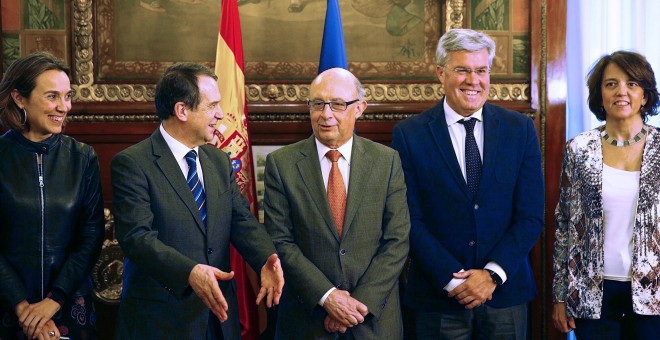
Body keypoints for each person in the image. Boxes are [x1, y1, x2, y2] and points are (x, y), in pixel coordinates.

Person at [111, 63, 284, 339]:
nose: (220, 115)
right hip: (162, 322)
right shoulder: (133, 164)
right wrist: (189, 272)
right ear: (182, 110)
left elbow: (241, 220)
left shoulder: (217, 160)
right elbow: (137, 239)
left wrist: (266, 258)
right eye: (212, 106)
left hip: (219, 318)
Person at [391, 28, 544, 339]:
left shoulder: (520, 130)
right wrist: (453, 281)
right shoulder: (410, 134)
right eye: (462, 70)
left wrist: (491, 275)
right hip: (440, 297)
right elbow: (409, 219)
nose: (474, 81)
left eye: (481, 70)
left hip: (505, 294)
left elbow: (530, 216)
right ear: (441, 73)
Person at [264, 67, 410, 339]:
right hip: (308, 321)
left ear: (360, 108)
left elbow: (397, 240)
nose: (326, 114)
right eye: (317, 104)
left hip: (372, 321)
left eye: (338, 104)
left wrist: (357, 305)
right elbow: (280, 241)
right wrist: (328, 297)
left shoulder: (387, 161)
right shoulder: (281, 164)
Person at [552, 51, 660, 339]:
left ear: (645, 96)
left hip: (654, 294)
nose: (621, 91)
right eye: (611, 84)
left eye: (632, 84)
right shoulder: (579, 149)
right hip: (591, 293)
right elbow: (564, 225)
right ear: (600, 96)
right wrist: (560, 296)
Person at [0, 52, 104, 340]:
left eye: (67, 96)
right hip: (7, 304)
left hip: (69, 302)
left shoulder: (83, 157)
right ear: (20, 99)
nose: (64, 107)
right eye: (52, 96)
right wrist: (24, 308)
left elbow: (91, 236)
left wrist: (53, 302)